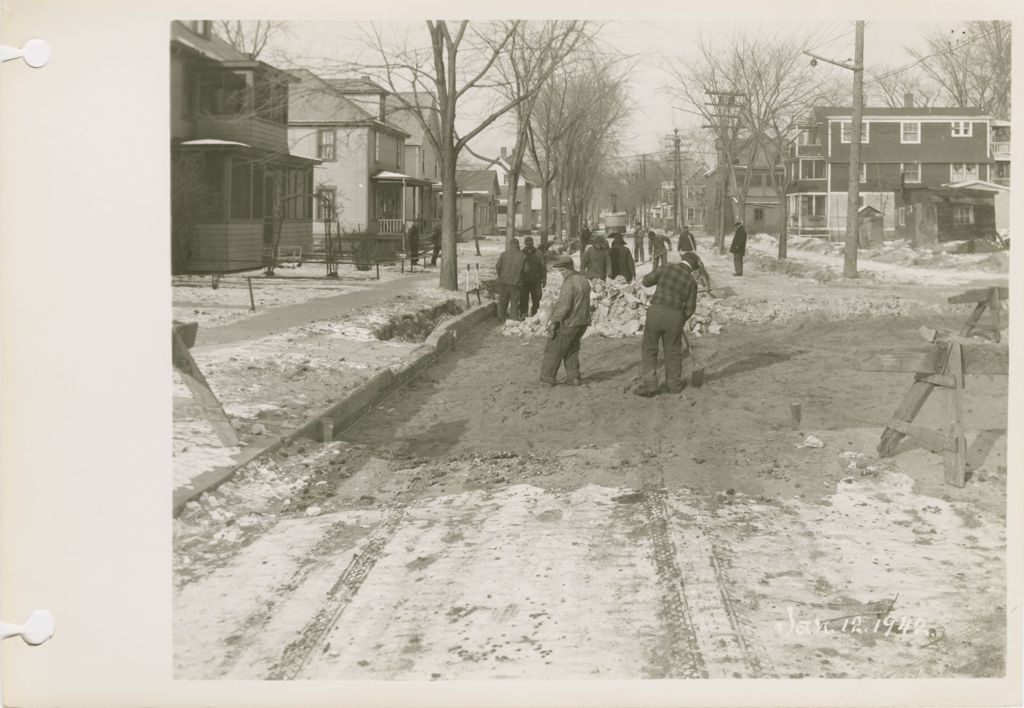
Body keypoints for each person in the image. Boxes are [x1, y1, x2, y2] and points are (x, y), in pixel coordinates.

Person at [634, 250, 698, 397]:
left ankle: (650, 385)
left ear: (682, 260)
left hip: (656, 312)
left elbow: (646, 281)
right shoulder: (691, 281)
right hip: (675, 316)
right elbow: (690, 308)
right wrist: (680, 319)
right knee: (673, 351)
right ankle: (674, 386)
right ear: (692, 267)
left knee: (650, 348)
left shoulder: (665, 267)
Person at [539, 255, 591, 387]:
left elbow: (564, 306)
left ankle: (547, 378)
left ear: (568, 269)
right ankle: (574, 378)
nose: (561, 274)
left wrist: (554, 322)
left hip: (569, 323)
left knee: (553, 349)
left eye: (562, 271)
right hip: (582, 322)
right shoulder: (583, 280)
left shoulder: (569, 283)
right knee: (571, 349)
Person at [494, 238, 526, 321]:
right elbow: (527, 270)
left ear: (510, 245)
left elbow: (497, 267)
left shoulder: (503, 254)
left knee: (503, 301)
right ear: (518, 245)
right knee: (514, 302)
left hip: (504, 282)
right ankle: (513, 319)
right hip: (516, 283)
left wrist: (501, 276)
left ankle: (501, 318)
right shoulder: (522, 256)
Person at [519, 236, 546, 318]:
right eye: (527, 244)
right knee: (523, 298)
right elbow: (518, 267)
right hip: (524, 280)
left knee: (536, 297)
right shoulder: (521, 253)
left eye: (530, 244)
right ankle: (524, 313)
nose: (528, 246)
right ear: (524, 244)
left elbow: (543, 266)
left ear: (532, 243)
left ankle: (534, 313)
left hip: (536, 280)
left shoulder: (538, 253)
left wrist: (544, 278)